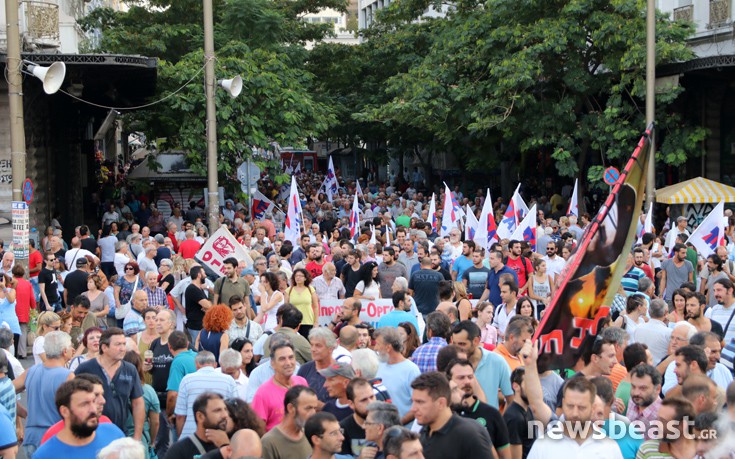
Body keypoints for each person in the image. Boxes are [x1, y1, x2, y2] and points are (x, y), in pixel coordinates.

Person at [75, 327, 145, 440]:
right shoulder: (85, 369)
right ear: (104, 347)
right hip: (91, 435)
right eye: (118, 344)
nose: (123, 348)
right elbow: (74, 401)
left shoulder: (130, 370)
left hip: (121, 434)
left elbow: (138, 403)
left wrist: (137, 437)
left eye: (123, 344)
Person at [12, 331, 74, 457]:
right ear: (64, 351)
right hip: (55, 438)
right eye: (70, 346)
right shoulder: (68, 376)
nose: (73, 349)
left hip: (31, 437)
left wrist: (24, 413)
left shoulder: (30, 372)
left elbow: (6, 391)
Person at [31, 379, 125, 458]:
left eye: (93, 401)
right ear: (65, 411)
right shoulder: (45, 455)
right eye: (84, 404)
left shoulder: (114, 434)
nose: (93, 410)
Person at [411, 372, 493, 459]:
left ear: (441, 403)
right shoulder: (424, 433)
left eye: (420, 402)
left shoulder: (470, 435)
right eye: (413, 401)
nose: (413, 409)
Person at [446, 359, 510, 459]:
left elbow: (505, 455)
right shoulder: (445, 414)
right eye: (461, 378)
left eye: (470, 377)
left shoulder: (492, 414)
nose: (467, 381)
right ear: (450, 381)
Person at [175, 351, 238, 438]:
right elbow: (235, 411)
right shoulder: (229, 380)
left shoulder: (187, 380)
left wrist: (180, 438)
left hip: (190, 436)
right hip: (220, 435)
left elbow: (180, 416)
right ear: (215, 365)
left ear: (196, 364)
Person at [452, 321, 513, 409]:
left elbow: (511, 398)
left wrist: (500, 421)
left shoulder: (497, 361)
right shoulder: (451, 362)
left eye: (462, 344)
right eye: (455, 344)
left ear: (476, 341)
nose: (457, 349)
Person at [253, 340, 309, 431]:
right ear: (272, 363)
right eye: (282, 359)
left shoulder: (302, 382)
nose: (288, 363)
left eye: (291, 357)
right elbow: (259, 430)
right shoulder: (262, 393)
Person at [374, 327, 421, 423]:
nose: (375, 348)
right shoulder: (378, 366)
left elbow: (418, 403)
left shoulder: (411, 370)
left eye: (378, 344)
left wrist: (400, 422)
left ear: (388, 347)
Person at [261, 385, 319, 459]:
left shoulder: (311, 436)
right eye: (308, 408)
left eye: (315, 408)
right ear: (291, 408)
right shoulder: (269, 442)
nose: (313, 413)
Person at [164, 393, 229, 459]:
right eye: (217, 410)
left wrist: (225, 446)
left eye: (225, 409)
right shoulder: (179, 451)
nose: (225, 415)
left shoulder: (233, 445)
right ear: (200, 416)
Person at [123, 350, 161, 458]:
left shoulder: (116, 389)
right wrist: (152, 442)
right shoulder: (148, 391)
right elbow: (155, 422)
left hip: (119, 438)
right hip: (141, 440)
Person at [340, 377, 377, 456]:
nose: (370, 403)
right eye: (363, 400)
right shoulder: (343, 429)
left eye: (372, 397)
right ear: (351, 404)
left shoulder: (387, 421)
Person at [633, 299, 672, 364]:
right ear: (665, 313)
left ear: (649, 312)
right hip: (658, 370)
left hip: (639, 367)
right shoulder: (668, 332)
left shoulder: (638, 328)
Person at [285, 268, 319, 338]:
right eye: (296, 276)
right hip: (293, 322)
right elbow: (286, 308)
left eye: (300, 276)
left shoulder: (310, 289)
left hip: (308, 321)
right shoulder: (289, 290)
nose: (298, 277)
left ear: (305, 278)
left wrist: (316, 322)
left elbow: (315, 306)